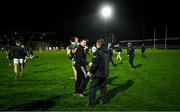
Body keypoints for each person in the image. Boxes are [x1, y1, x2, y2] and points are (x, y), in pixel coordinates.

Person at [87, 39, 109, 107]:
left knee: (93, 88)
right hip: (105, 73)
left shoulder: (97, 53)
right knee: (103, 87)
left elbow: (94, 65)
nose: (96, 45)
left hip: (98, 74)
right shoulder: (107, 52)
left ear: (99, 44)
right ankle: (104, 100)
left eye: (96, 44)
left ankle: (91, 103)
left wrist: (90, 72)